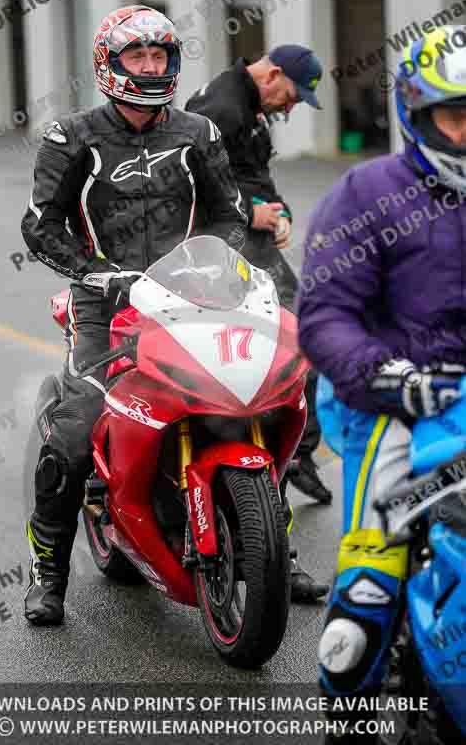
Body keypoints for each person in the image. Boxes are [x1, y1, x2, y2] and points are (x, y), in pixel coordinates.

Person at [20, 6, 249, 626]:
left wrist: (220, 259)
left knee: (251, 395)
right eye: (136, 57)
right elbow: (40, 226)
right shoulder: (71, 137)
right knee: (71, 435)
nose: (151, 68)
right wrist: (93, 271)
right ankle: (49, 574)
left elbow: (231, 214)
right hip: (104, 306)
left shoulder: (199, 132)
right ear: (108, 65)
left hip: (190, 298)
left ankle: (268, 546)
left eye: (160, 57)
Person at [297, 25, 466, 742]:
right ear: (417, 113)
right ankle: (349, 713)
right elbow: (324, 313)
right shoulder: (365, 194)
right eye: (457, 116)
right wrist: (386, 376)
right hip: (390, 407)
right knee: (368, 589)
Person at [186, 46, 331, 602]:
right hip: (222, 250)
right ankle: (289, 456)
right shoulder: (220, 108)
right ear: (271, 75)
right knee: (295, 343)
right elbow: (196, 185)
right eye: (291, 95)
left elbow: (254, 175)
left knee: (298, 343)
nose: (291, 106)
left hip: (251, 242)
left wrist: (279, 213)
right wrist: (253, 215)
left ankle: (295, 456)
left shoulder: (249, 108)